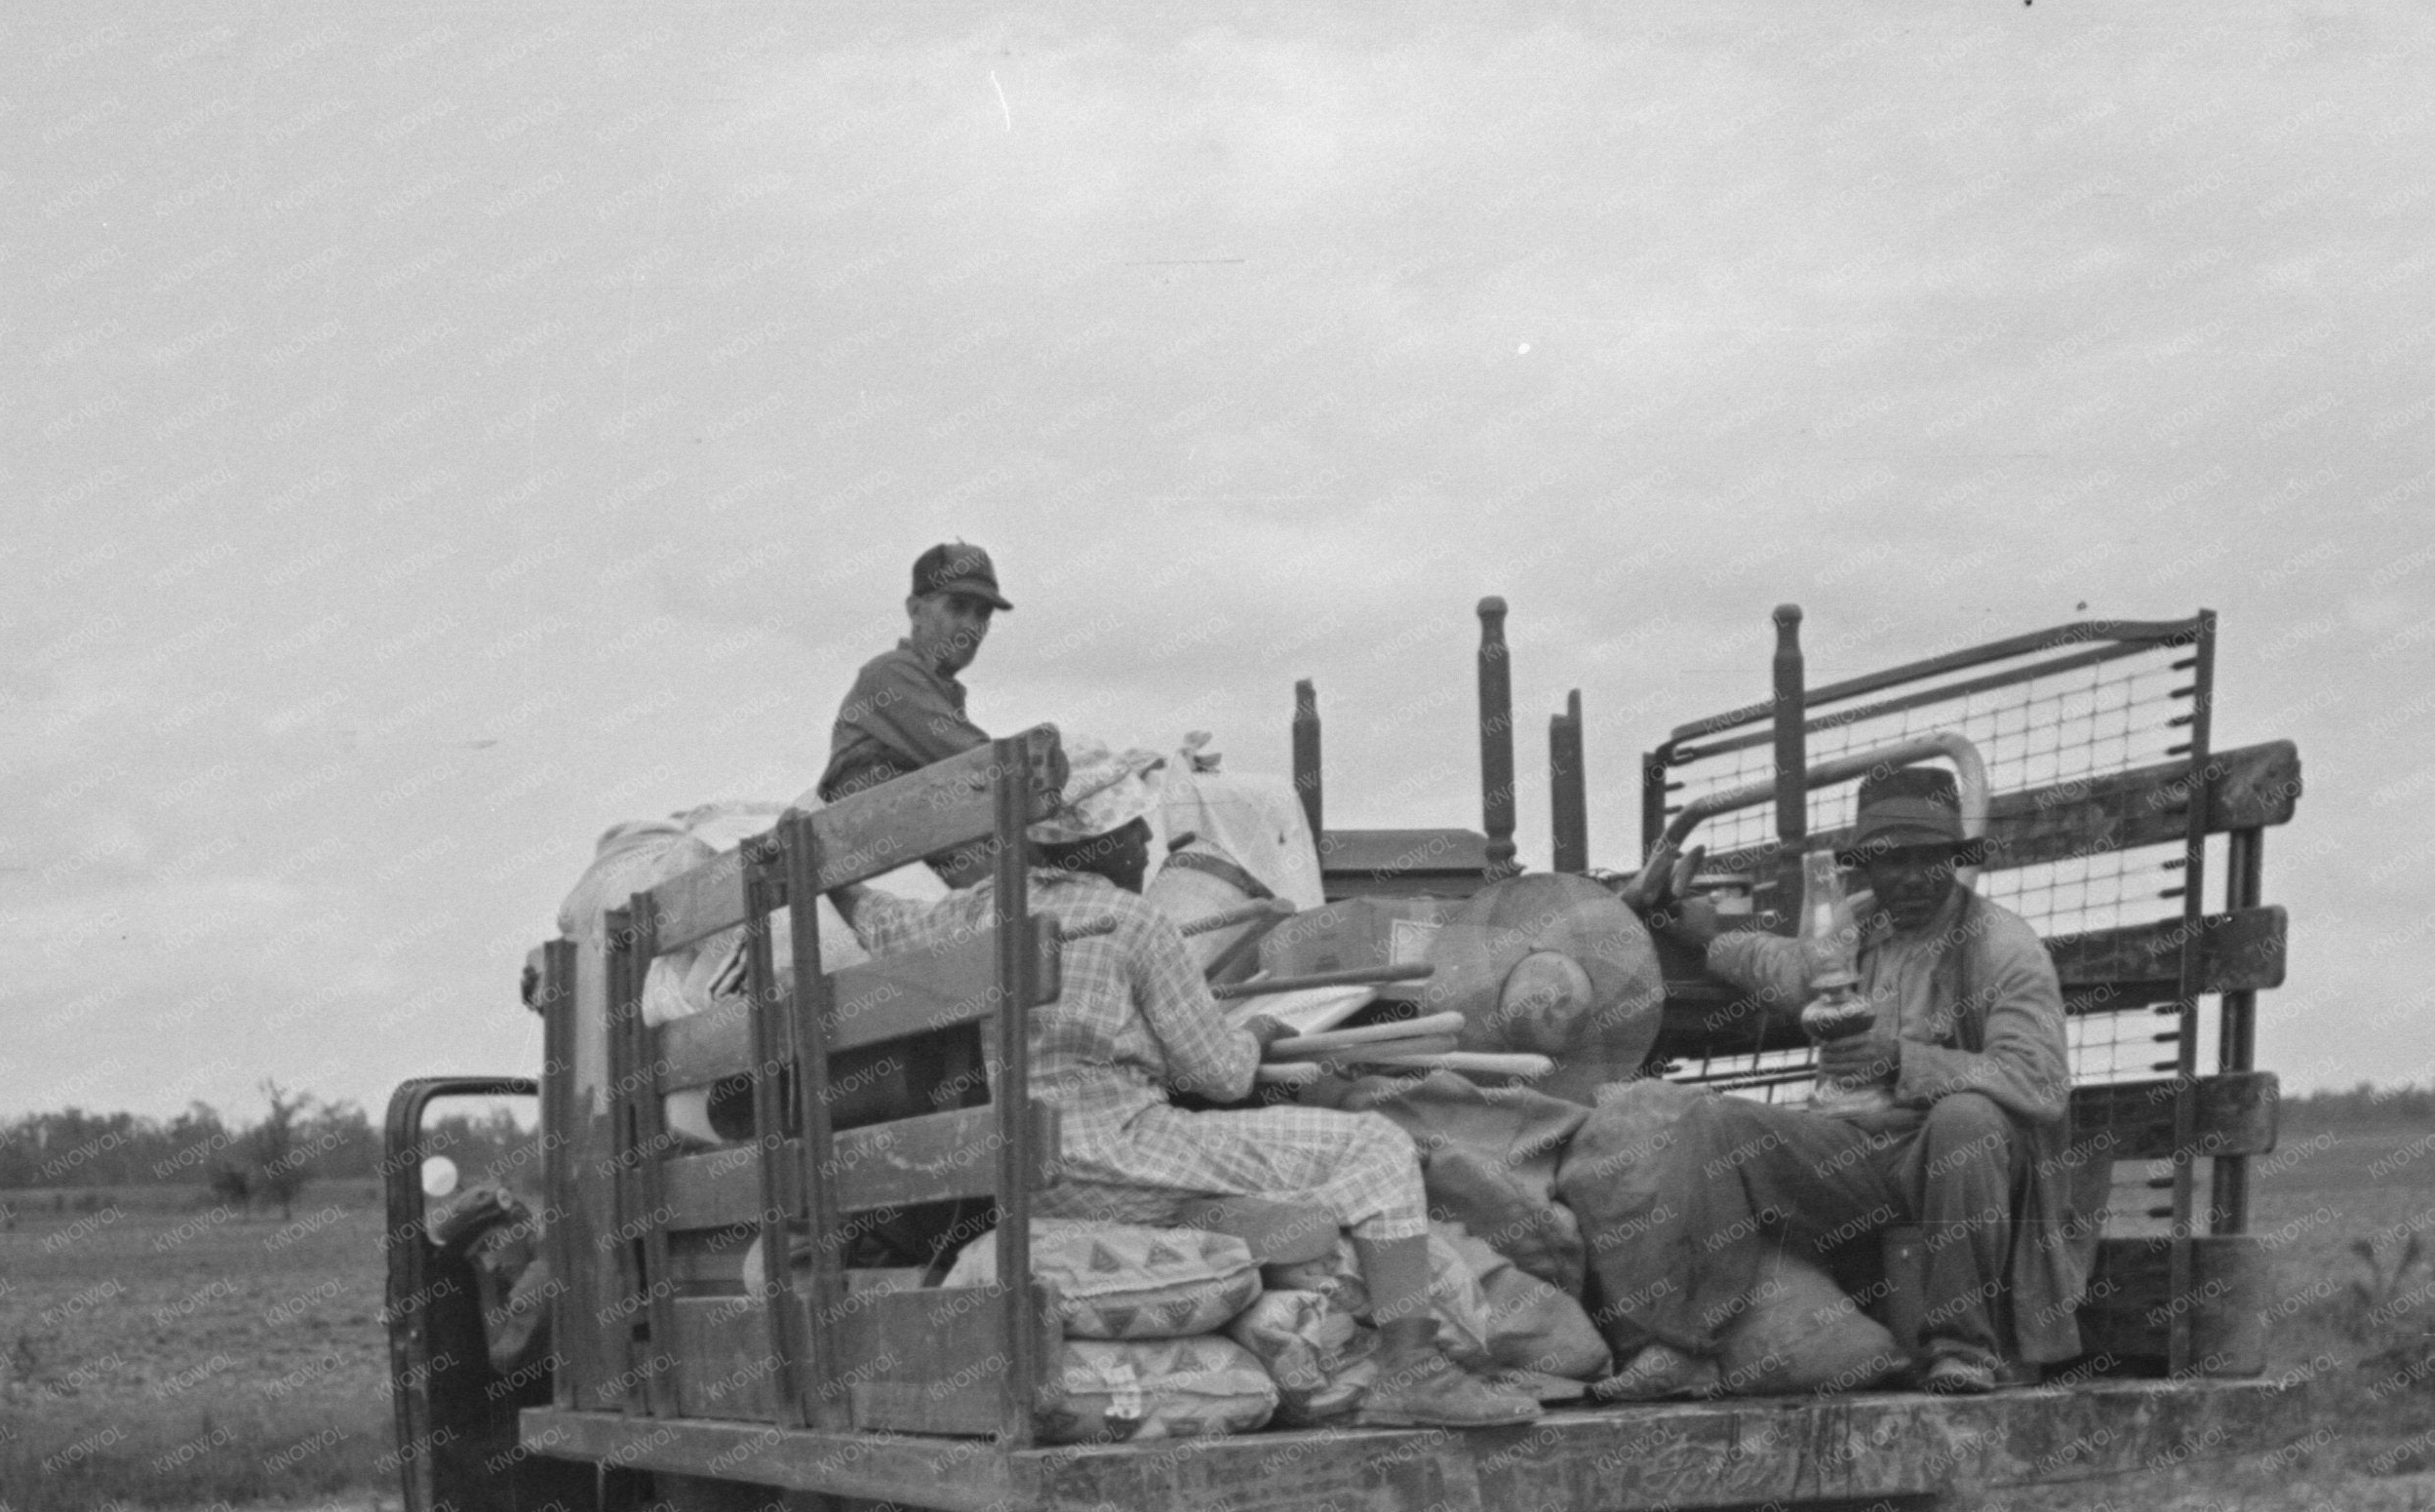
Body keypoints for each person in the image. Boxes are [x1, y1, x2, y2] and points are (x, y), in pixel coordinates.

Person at [869, 737, 1543, 1431]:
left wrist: (827, 877)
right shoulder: (1136, 923)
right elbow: (1217, 1076)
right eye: (1133, 832)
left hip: (1040, 1174)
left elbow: (879, 920)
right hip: (1127, 1157)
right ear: (1097, 844)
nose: (1143, 848)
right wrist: (1258, 1034)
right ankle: (1410, 1368)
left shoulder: (979, 911)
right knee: (1374, 1147)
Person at [1615, 764, 2090, 1397]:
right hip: (1855, 1158)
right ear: (1864, 865)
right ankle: (1682, 1347)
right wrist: (1699, 933)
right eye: (1891, 860)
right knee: (1711, 1122)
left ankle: (1962, 1348)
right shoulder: (1859, 928)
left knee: (1967, 1119)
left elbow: (2038, 1081)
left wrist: (1899, 1058)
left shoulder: (2002, 944)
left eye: (1929, 858)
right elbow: (1785, 965)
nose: (1912, 876)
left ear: (1952, 858)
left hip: (1951, 1164)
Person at [822, 541, 1012, 886]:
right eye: (957, 607)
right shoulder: (891, 674)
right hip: (881, 863)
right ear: (915, 610)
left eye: (982, 614)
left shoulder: (941, 691)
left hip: (910, 853)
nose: (972, 625)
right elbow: (981, 759)